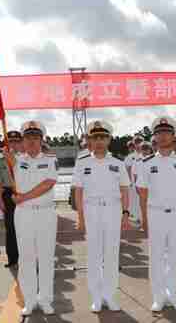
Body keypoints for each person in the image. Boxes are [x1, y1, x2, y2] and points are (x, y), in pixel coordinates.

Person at [137, 116, 176, 312]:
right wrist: (144, 218)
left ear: (173, 136)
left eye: (166, 133)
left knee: (175, 256)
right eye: (159, 133)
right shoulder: (145, 163)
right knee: (156, 257)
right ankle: (158, 296)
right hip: (155, 214)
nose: (162, 136)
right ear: (154, 137)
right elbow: (142, 194)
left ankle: (173, 294)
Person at [73, 120, 130, 313]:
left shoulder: (117, 163)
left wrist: (125, 214)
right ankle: (96, 297)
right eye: (95, 137)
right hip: (91, 211)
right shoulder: (82, 162)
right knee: (94, 255)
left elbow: (124, 190)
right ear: (89, 140)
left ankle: (110, 295)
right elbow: (78, 192)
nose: (99, 141)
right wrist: (80, 216)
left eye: (102, 137)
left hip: (113, 210)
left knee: (111, 254)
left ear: (109, 139)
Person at [12, 121, 58, 317]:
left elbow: (48, 183)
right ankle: (29, 300)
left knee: (47, 258)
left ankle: (45, 300)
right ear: (22, 141)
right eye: (28, 137)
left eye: (35, 137)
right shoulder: (14, 161)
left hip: (46, 213)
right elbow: (7, 185)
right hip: (23, 214)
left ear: (41, 140)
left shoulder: (50, 160)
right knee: (26, 258)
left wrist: (23, 196)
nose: (31, 141)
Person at [0, 131, 23, 269]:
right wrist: (0, 200)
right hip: (8, 194)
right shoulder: (1, 161)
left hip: (23, 194)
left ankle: (25, 258)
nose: (14, 144)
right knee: (10, 228)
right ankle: (13, 258)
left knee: (24, 227)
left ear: (21, 143)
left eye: (16, 141)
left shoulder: (25, 159)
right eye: (11, 142)